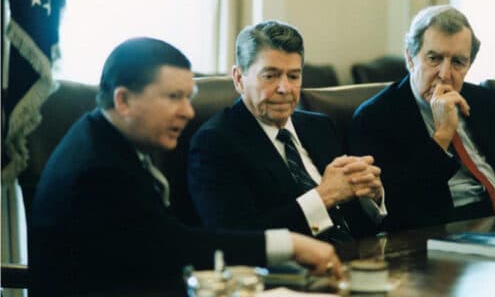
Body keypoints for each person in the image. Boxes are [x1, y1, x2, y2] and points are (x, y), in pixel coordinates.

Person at [29, 37, 343, 296]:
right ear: (123, 101)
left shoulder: (103, 137)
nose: (188, 112)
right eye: (174, 97)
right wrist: (289, 244)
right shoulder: (97, 169)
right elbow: (175, 246)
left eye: (188, 97)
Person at [188, 20, 385, 243]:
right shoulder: (215, 142)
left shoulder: (320, 127)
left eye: (293, 76)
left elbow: (354, 224)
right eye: (270, 75)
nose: (285, 89)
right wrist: (324, 196)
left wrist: (370, 197)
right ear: (239, 79)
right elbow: (235, 238)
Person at [349, 5, 495, 230]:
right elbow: (399, 211)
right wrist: (442, 135)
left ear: (469, 65)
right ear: (410, 58)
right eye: (434, 58)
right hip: (443, 230)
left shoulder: (483, 100)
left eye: (458, 62)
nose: (445, 74)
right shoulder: (375, 117)